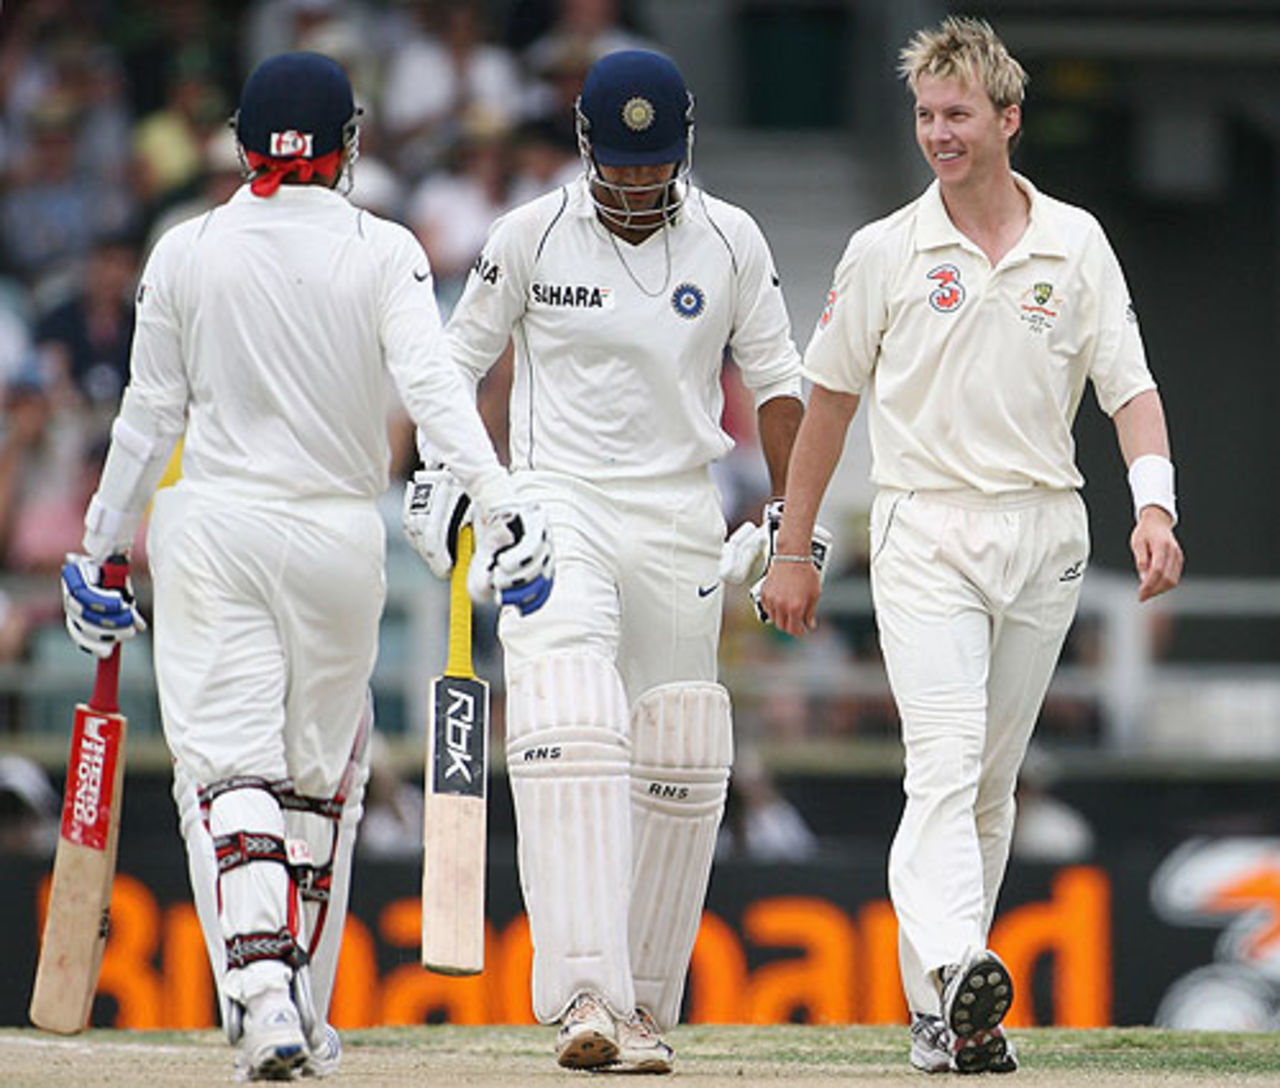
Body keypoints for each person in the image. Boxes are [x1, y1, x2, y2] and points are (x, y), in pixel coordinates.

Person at [57, 51, 553, 1081]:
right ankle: (292, 1007)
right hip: (337, 536)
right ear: (349, 145)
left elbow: (147, 415)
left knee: (231, 772)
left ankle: (263, 992)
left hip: (215, 532)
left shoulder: (182, 247)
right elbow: (433, 388)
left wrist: (99, 544)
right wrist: (502, 504)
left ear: (241, 148)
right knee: (317, 787)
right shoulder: (386, 249)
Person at [759, 16, 1183, 1076]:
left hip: (1042, 534)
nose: (936, 134)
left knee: (989, 785)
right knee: (941, 764)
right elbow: (826, 406)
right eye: (923, 115)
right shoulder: (883, 250)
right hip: (922, 528)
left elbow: (1126, 386)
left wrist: (1153, 507)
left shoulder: (1074, 241)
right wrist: (792, 547)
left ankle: (940, 1020)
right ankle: (956, 967)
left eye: (956, 115)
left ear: (1007, 119)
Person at [402, 49, 814, 1074]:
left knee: (680, 747)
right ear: (585, 148)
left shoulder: (730, 239)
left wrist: (788, 516)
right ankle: (581, 991)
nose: (635, 184)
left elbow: (776, 381)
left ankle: (638, 1004)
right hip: (555, 501)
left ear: (683, 149)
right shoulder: (528, 233)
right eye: (619, 165)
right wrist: (444, 476)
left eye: (653, 164)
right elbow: (451, 365)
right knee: (571, 717)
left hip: (678, 508)